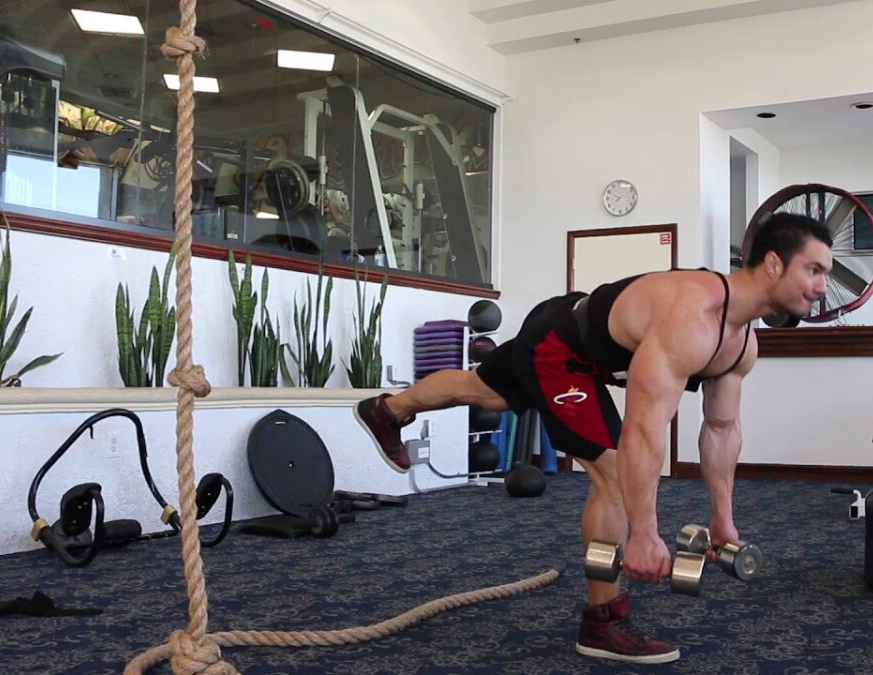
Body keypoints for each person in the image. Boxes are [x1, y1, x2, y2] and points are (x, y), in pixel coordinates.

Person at [354, 211, 833, 664]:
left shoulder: (742, 344)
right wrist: (643, 535)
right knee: (613, 475)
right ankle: (602, 622)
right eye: (814, 269)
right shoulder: (692, 313)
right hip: (559, 347)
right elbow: (642, 432)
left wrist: (722, 521)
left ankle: (387, 409)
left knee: (486, 391)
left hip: (577, 333)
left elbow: (721, 430)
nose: (821, 286)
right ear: (774, 263)